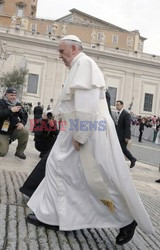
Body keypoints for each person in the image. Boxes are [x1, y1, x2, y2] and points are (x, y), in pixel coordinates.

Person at [26, 35, 154, 245]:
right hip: (77, 128)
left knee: (93, 177)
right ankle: (53, 216)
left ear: (74, 48)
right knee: (64, 171)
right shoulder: (79, 65)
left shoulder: (84, 63)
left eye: (62, 51)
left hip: (86, 130)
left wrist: (80, 135)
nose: (60, 56)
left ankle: (125, 218)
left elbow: (86, 105)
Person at [20, 111, 59, 197]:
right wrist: (44, 125)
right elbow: (38, 134)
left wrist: (53, 127)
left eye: (49, 115)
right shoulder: (39, 122)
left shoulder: (53, 123)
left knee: (55, 139)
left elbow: (58, 133)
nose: (47, 117)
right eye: (45, 115)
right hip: (40, 143)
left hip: (48, 143)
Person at [0, 88, 29, 159]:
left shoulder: (17, 104)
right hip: (0, 131)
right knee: (1, 153)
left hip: (11, 129)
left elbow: (24, 115)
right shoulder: (0, 102)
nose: (14, 97)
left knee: (24, 132)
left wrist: (22, 123)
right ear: (6, 95)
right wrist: (10, 110)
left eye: (15, 95)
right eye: (11, 95)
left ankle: (19, 151)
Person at [115, 100, 137, 168]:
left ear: (122, 105)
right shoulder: (118, 113)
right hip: (118, 135)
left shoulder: (126, 114)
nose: (117, 106)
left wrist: (127, 136)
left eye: (118, 105)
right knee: (119, 149)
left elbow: (128, 126)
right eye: (116, 105)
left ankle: (132, 159)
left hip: (124, 136)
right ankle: (118, 162)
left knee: (123, 148)